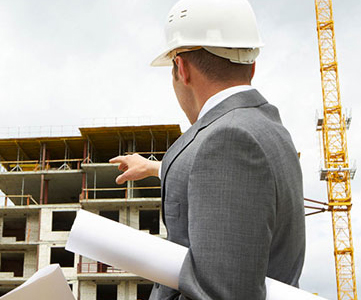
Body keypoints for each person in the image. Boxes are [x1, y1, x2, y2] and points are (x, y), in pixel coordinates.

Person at [110, 0, 305, 298]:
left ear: (182, 68)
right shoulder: (267, 128)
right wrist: (154, 167)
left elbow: (221, 294)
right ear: (251, 65)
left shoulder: (228, 139)